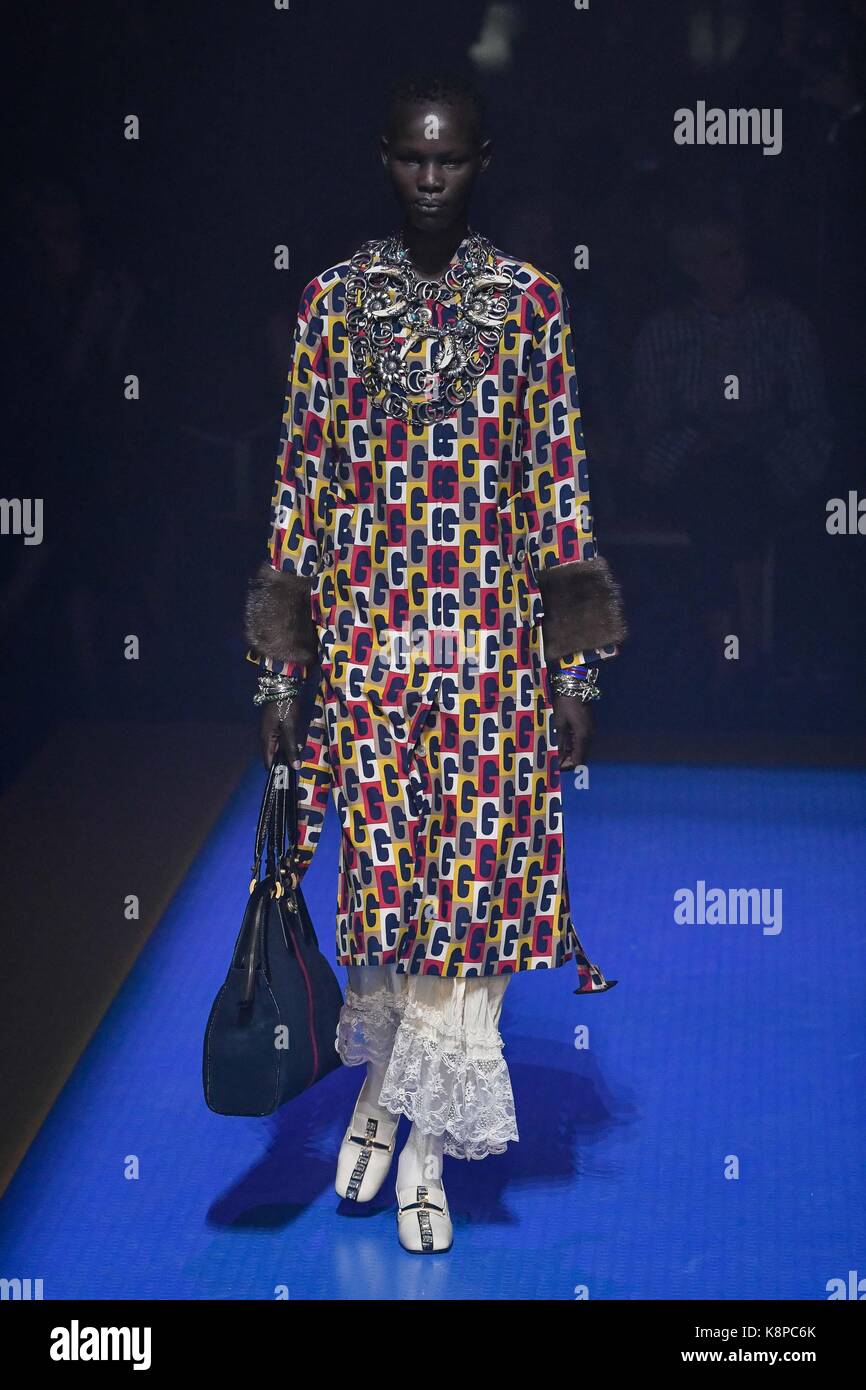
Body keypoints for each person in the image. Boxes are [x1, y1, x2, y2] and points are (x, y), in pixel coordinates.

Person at [244, 71, 627, 1253]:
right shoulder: (330, 304)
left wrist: (573, 672)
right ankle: (382, 1089)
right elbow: (299, 488)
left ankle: (418, 1142)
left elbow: (556, 490)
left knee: (479, 897)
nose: (427, 176)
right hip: (369, 654)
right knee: (389, 898)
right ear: (381, 158)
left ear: (479, 161)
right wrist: (278, 673)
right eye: (410, 157)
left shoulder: (528, 307)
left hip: (494, 654)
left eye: (449, 158)